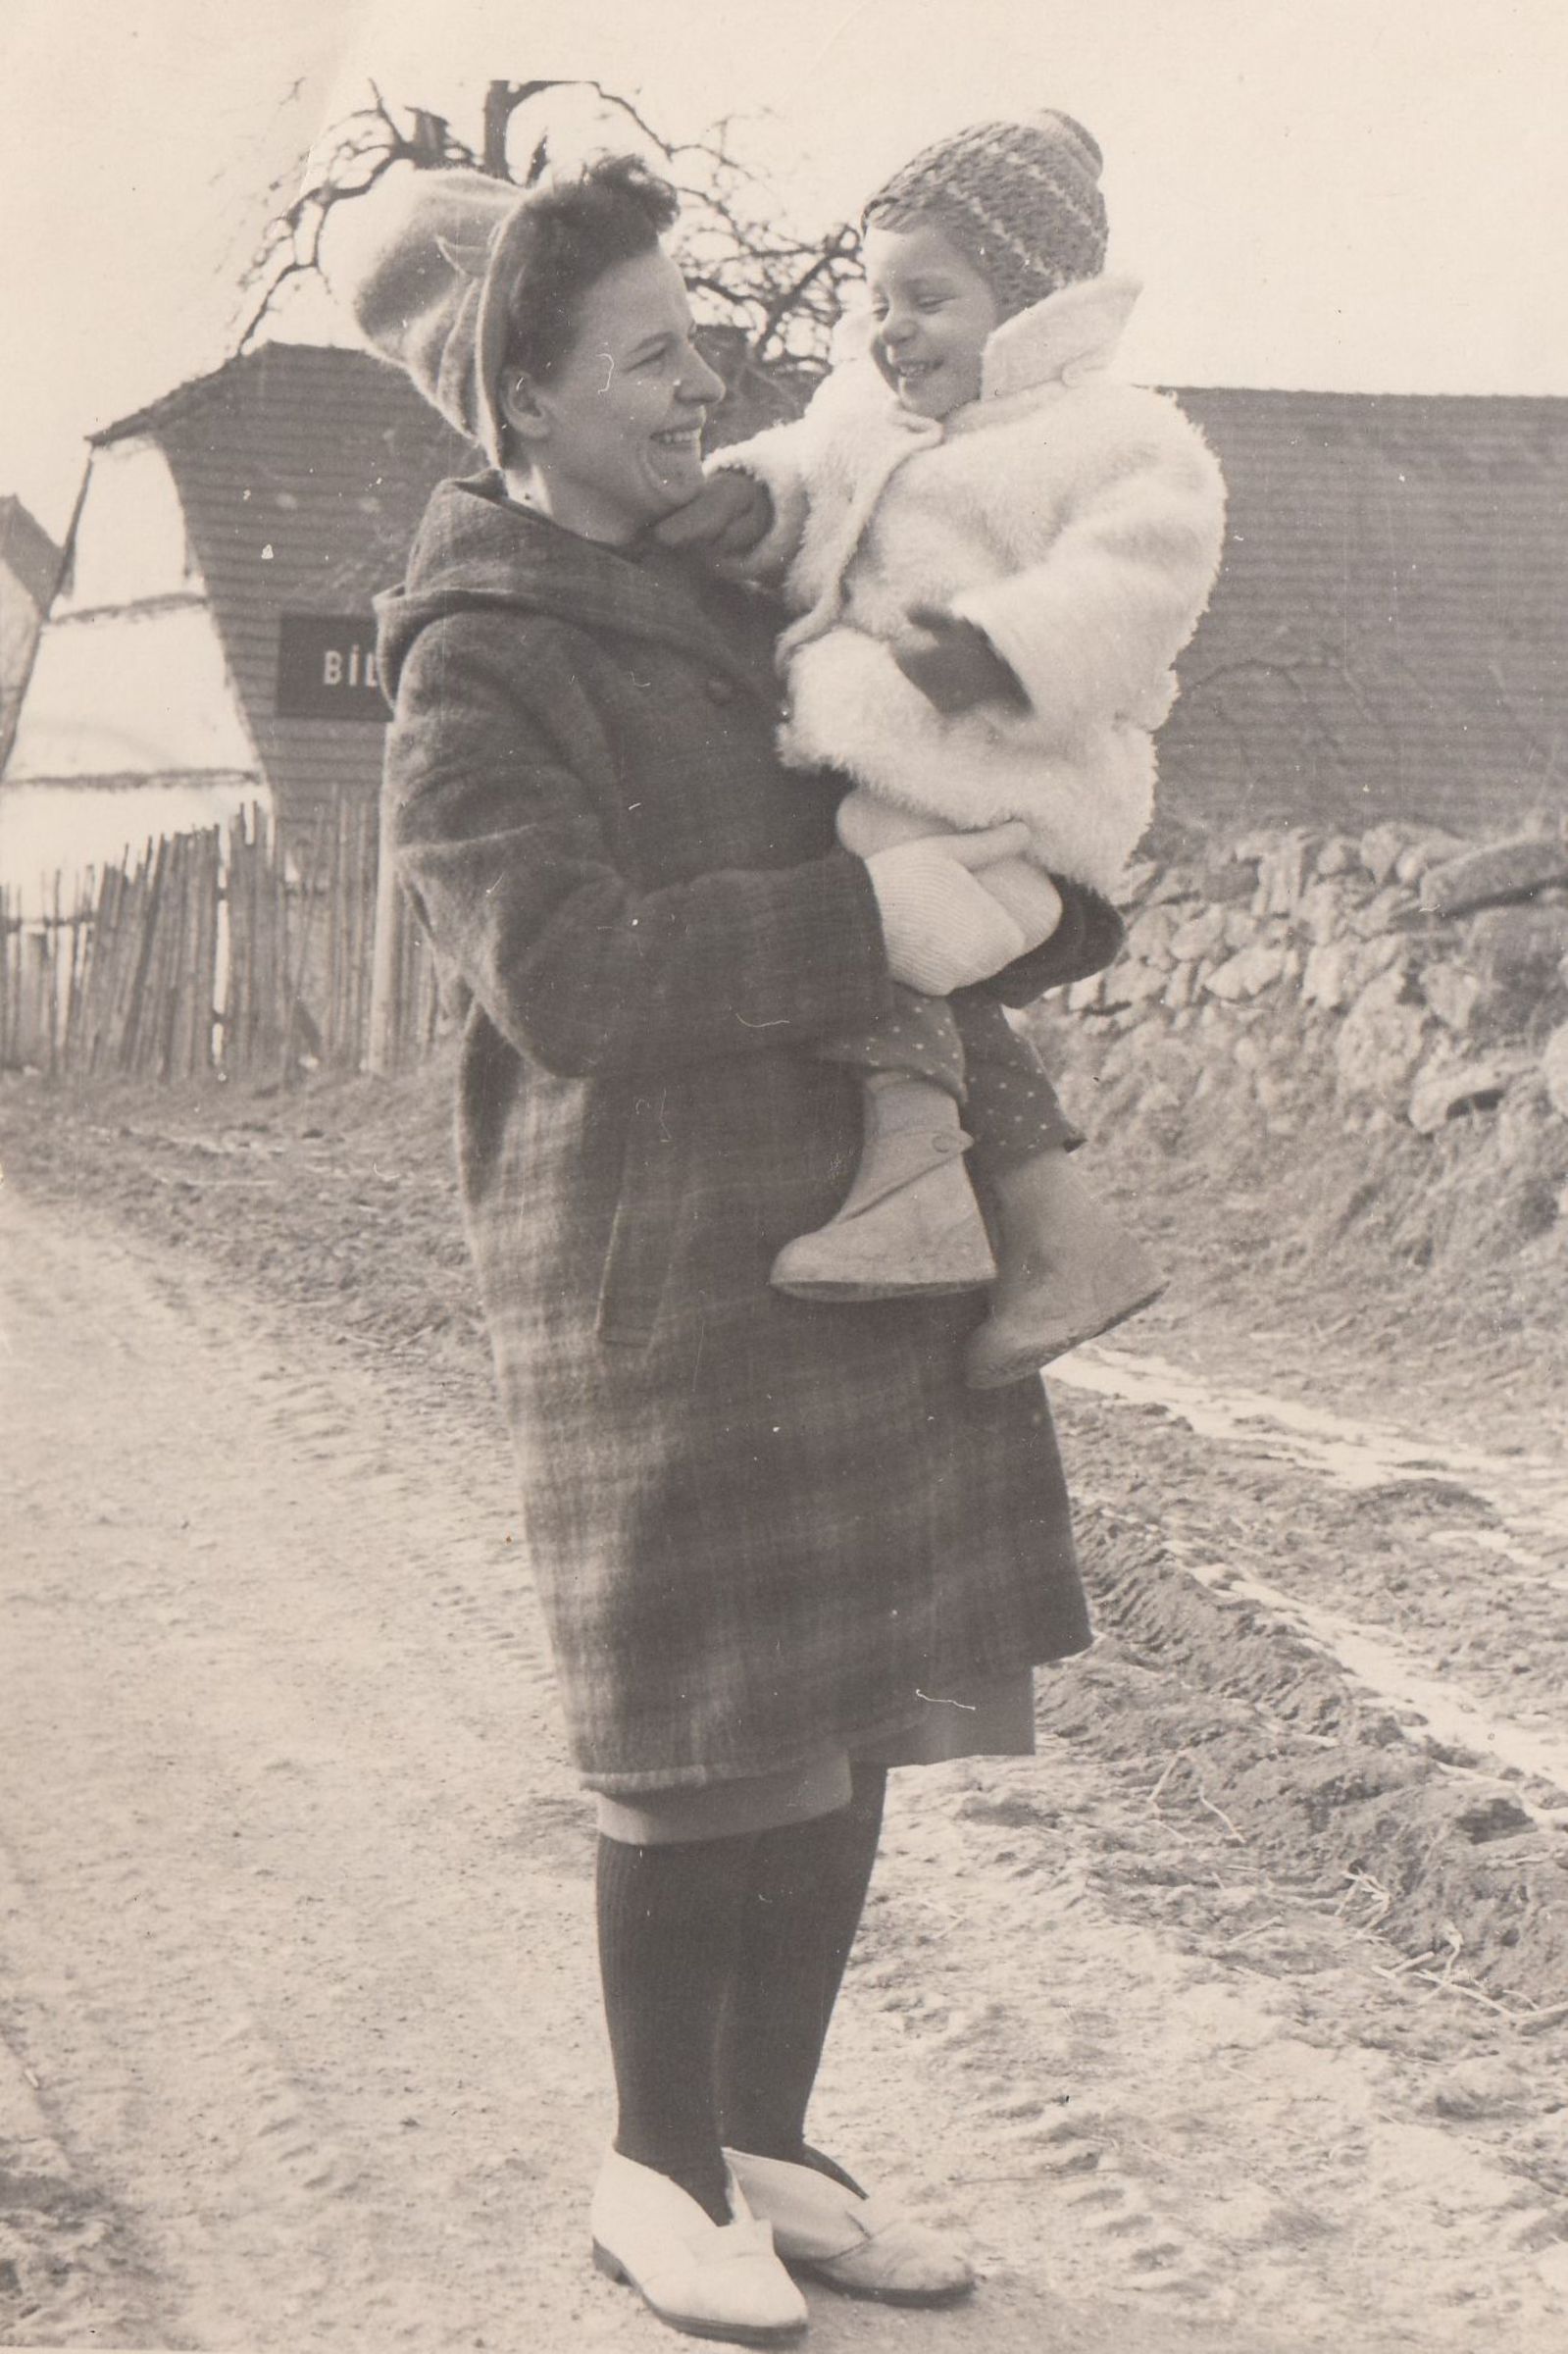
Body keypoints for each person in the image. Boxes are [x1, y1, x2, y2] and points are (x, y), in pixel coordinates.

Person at [326, 152, 1124, 2346]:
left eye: (702, 346)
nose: (707, 388)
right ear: (524, 396)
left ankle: (762, 2139)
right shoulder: (473, 661)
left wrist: (1032, 878)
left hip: (873, 1217)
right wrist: (866, 917)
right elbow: (567, 977)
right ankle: (651, 2170)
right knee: (702, 1738)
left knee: (845, 1707)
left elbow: (926, 817)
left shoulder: (746, 593)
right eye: (653, 358)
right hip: (658, 1254)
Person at [662, 111, 1227, 1387]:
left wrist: (1001, 649)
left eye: (929, 298)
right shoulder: (866, 413)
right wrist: (754, 497)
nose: (891, 329)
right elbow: (813, 469)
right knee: (896, 930)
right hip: (895, 762)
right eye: (876, 300)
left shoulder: (1121, 441)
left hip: (1019, 787)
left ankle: (914, 1189)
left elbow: (1141, 578)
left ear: (1031, 303)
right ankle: (1054, 1235)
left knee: (890, 915)